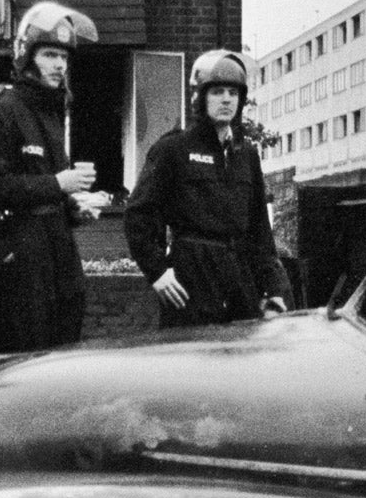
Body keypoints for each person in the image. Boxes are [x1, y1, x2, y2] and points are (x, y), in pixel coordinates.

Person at [124, 49, 291, 328]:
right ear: (199, 97)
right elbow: (139, 215)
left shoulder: (246, 155)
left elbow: (260, 231)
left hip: (240, 283)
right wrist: (158, 272)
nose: (227, 99)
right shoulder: (173, 149)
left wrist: (275, 289)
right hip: (192, 281)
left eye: (233, 93)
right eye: (217, 92)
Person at [0, 1, 101, 354]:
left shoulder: (53, 112)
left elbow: (47, 186)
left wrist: (74, 206)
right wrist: (58, 185)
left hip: (58, 249)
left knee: (62, 356)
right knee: (20, 359)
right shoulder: (2, 109)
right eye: (49, 55)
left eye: (64, 57)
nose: (60, 65)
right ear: (27, 57)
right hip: (19, 254)